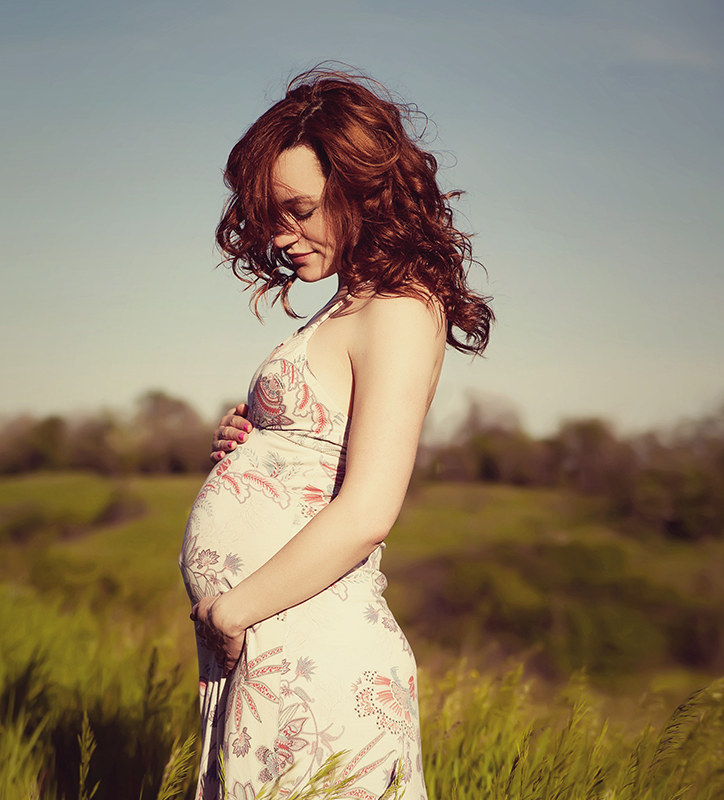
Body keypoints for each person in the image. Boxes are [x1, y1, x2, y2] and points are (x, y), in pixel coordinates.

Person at [179, 67, 493, 799]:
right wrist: (253, 444)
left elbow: (369, 508)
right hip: (274, 650)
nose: (282, 237)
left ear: (362, 189)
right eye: (271, 216)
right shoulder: (347, 305)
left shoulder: (402, 307)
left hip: (314, 656)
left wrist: (234, 609)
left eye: (300, 211)